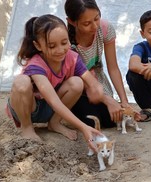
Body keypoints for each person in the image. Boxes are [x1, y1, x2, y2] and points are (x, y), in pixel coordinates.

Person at [6, 14, 103, 152]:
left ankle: (54, 122)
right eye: (52, 46)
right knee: (21, 82)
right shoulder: (36, 65)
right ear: (38, 45)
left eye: (64, 43)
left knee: (77, 82)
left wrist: (97, 89)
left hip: (49, 109)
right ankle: (27, 127)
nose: (60, 50)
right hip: (28, 108)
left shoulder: (72, 57)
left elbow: (91, 82)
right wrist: (83, 127)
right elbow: (54, 101)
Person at [64, 0, 137, 128]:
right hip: (78, 89)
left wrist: (124, 101)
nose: (94, 26)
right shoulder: (66, 42)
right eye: (86, 23)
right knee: (94, 120)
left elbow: (113, 67)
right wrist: (107, 100)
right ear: (72, 22)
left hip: (98, 84)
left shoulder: (104, 29)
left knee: (114, 118)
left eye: (97, 18)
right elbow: (76, 77)